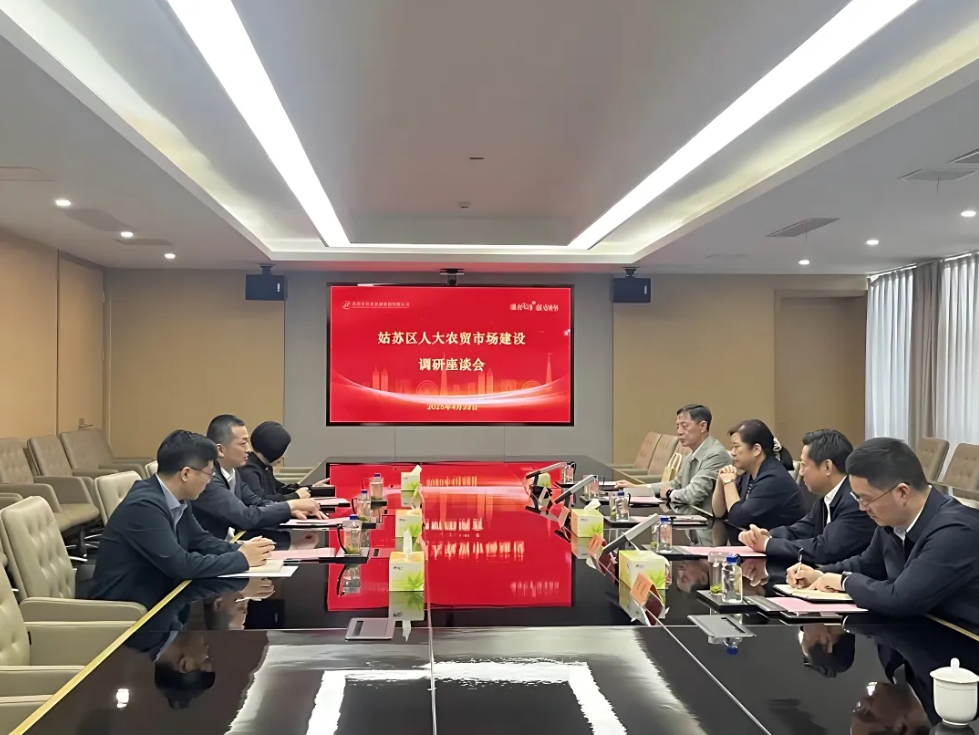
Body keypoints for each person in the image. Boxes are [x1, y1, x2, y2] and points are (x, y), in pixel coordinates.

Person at [788, 437, 979, 626]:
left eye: (866, 499)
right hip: (915, 631)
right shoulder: (891, 520)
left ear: (902, 492)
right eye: (858, 498)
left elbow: (902, 599)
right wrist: (820, 575)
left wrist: (844, 582)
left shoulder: (956, 531)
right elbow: (868, 564)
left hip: (961, 638)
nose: (862, 508)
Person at [89, 430, 275, 610]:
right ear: (186, 474)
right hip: (127, 611)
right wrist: (241, 559)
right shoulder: (144, 506)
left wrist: (242, 549)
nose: (210, 481)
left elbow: (200, 540)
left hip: (160, 596)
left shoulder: (177, 497)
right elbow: (182, 565)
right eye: (209, 474)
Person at [739, 429, 875, 564]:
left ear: (827, 467)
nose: (801, 472)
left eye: (804, 465)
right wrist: (767, 535)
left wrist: (768, 544)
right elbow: (802, 529)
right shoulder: (827, 497)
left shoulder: (855, 502)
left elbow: (825, 550)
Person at [192, 415, 324, 540]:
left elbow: (257, 502)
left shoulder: (233, 472)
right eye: (243, 443)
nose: (249, 449)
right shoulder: (209, 479)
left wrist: (290, 510)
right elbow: (246, 517)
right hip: (214, 549)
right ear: (220, 450)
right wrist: (291, 505)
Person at [616, 404, 730, 512]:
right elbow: (676, 484)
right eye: (677, 426)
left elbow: (693, 495)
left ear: (702, 426)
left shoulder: (716, 455)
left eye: (684, 426)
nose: (679, 432)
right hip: (688, 514)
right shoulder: (693, 452)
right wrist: (638, 488)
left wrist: (669, 493)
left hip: (706, 521)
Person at [713, 419, 805, 529]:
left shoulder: (773, 479)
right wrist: (721, 480)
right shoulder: (749, 474)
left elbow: (738, 518)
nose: (732, 453)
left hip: (782, 539)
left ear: (756, 450)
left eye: (736, 447)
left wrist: (729, 482)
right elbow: (719, 513)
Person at [239, 421, 330, 501]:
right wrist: (295, 496)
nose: (283, 457)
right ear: (271, 450)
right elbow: (260, 501)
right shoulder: (249, 471)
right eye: (281, 452)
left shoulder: (265, 466)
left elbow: (279, 489)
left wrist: (312, 488)